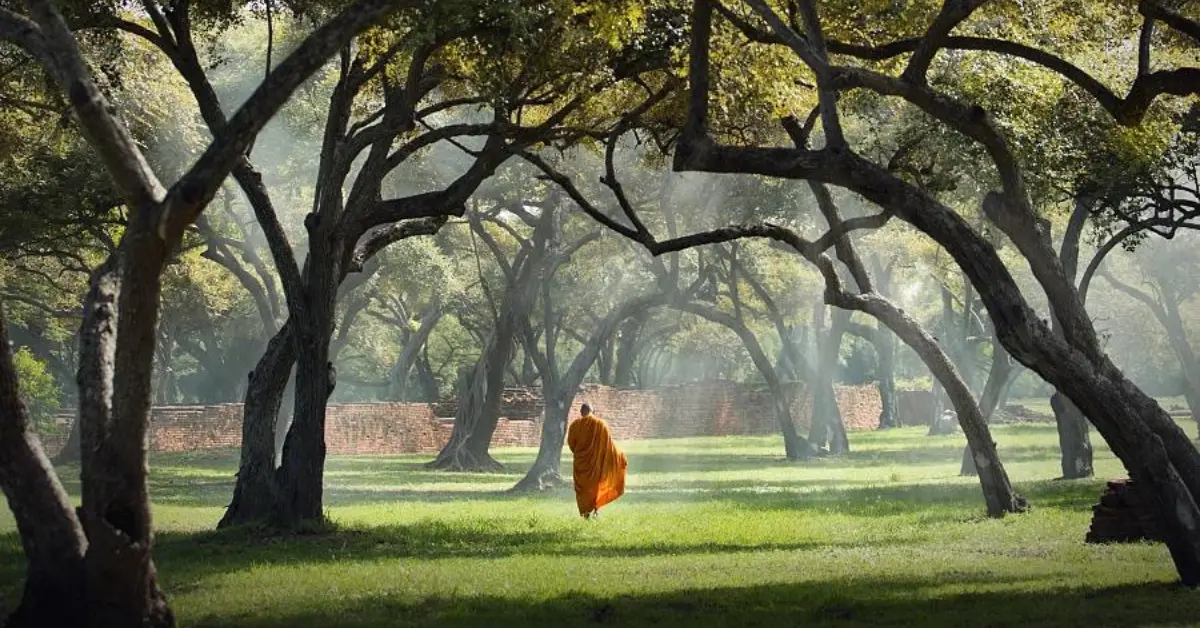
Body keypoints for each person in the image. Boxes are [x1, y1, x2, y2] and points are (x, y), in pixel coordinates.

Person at [567, 403, 627, 519]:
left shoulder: (575, 425)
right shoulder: (601, 424)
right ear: (592, 411)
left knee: (583, 489)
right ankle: (595, 509)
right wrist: (620, 456)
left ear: (581, 412)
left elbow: (571, 444)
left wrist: (581, 454)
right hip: (596, 464)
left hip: (581, 464)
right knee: (595, 487)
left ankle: (585, 513)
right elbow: (609, 446)